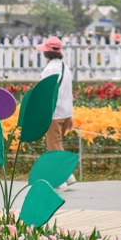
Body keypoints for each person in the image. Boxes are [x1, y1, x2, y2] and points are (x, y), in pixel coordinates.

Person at [38, 36, 76, 188]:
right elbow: (69, 92)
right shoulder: (65, 68)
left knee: (54, 148)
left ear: (47, 52)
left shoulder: (49, 69)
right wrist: (71, 115)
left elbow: (43, 92)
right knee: (58, 145)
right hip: (66, 112)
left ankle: (60, 180)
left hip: (54, 114)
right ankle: (69, 176)